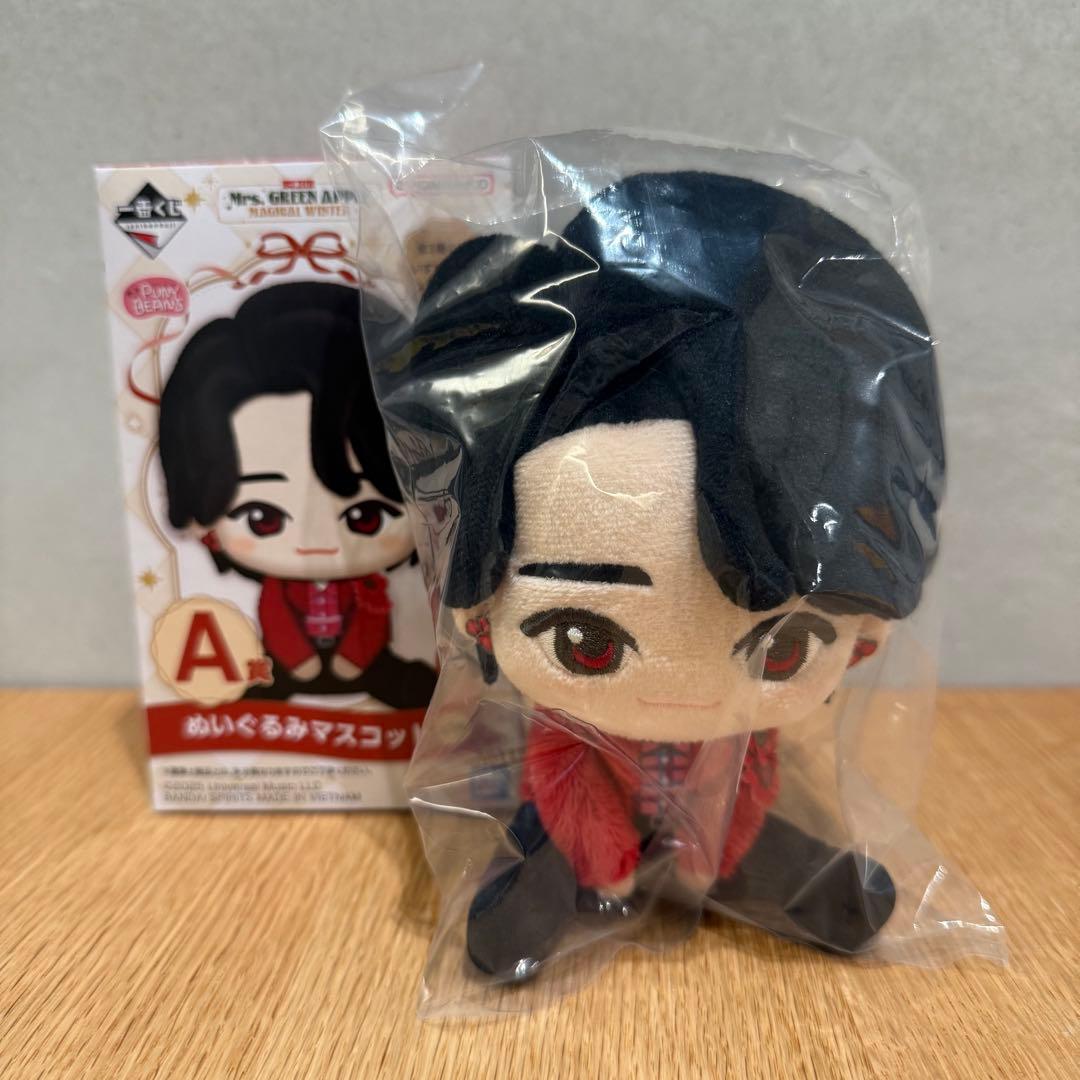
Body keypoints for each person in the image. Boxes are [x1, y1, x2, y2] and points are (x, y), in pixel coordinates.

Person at [373, 171, 945, 979]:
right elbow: (560, 779)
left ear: (865, 637)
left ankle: (761, 875)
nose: (682, 695)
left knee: (749, 829)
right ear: (482, 615)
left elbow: (752, 783)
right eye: (586, 640)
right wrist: (607, 862)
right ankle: (561, 890)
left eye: (781, 647)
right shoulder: (569, 734)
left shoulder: (746, 738)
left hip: (721, 806)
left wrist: (711, 847)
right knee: (551, 840)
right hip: (587, 794)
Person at [159, 281, 436, 707]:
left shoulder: (369, 587)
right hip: (289, 663)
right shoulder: (280, 591)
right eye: (263, 519)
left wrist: (353, 659)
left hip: (367, 664)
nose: (317, 544)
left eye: (367, 516)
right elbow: (277, 622)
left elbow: (373, 622)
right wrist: (300, 660)